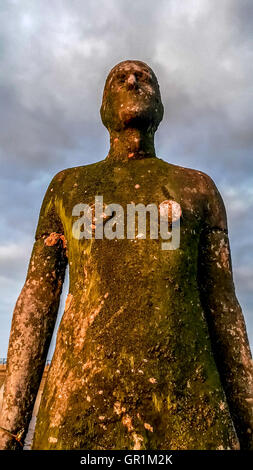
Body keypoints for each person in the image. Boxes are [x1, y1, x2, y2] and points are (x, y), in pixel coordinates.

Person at [0, 60, 252, 450]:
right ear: (103, 106)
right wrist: (10, 424)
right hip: (79, 409)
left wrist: (247, 419)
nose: (133, 80)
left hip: (190, 406)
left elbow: (222, 304)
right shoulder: (68, 187)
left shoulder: (197, 189)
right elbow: (37, 300)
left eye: (144, 77)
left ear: (161, 106)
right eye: (120, 78)